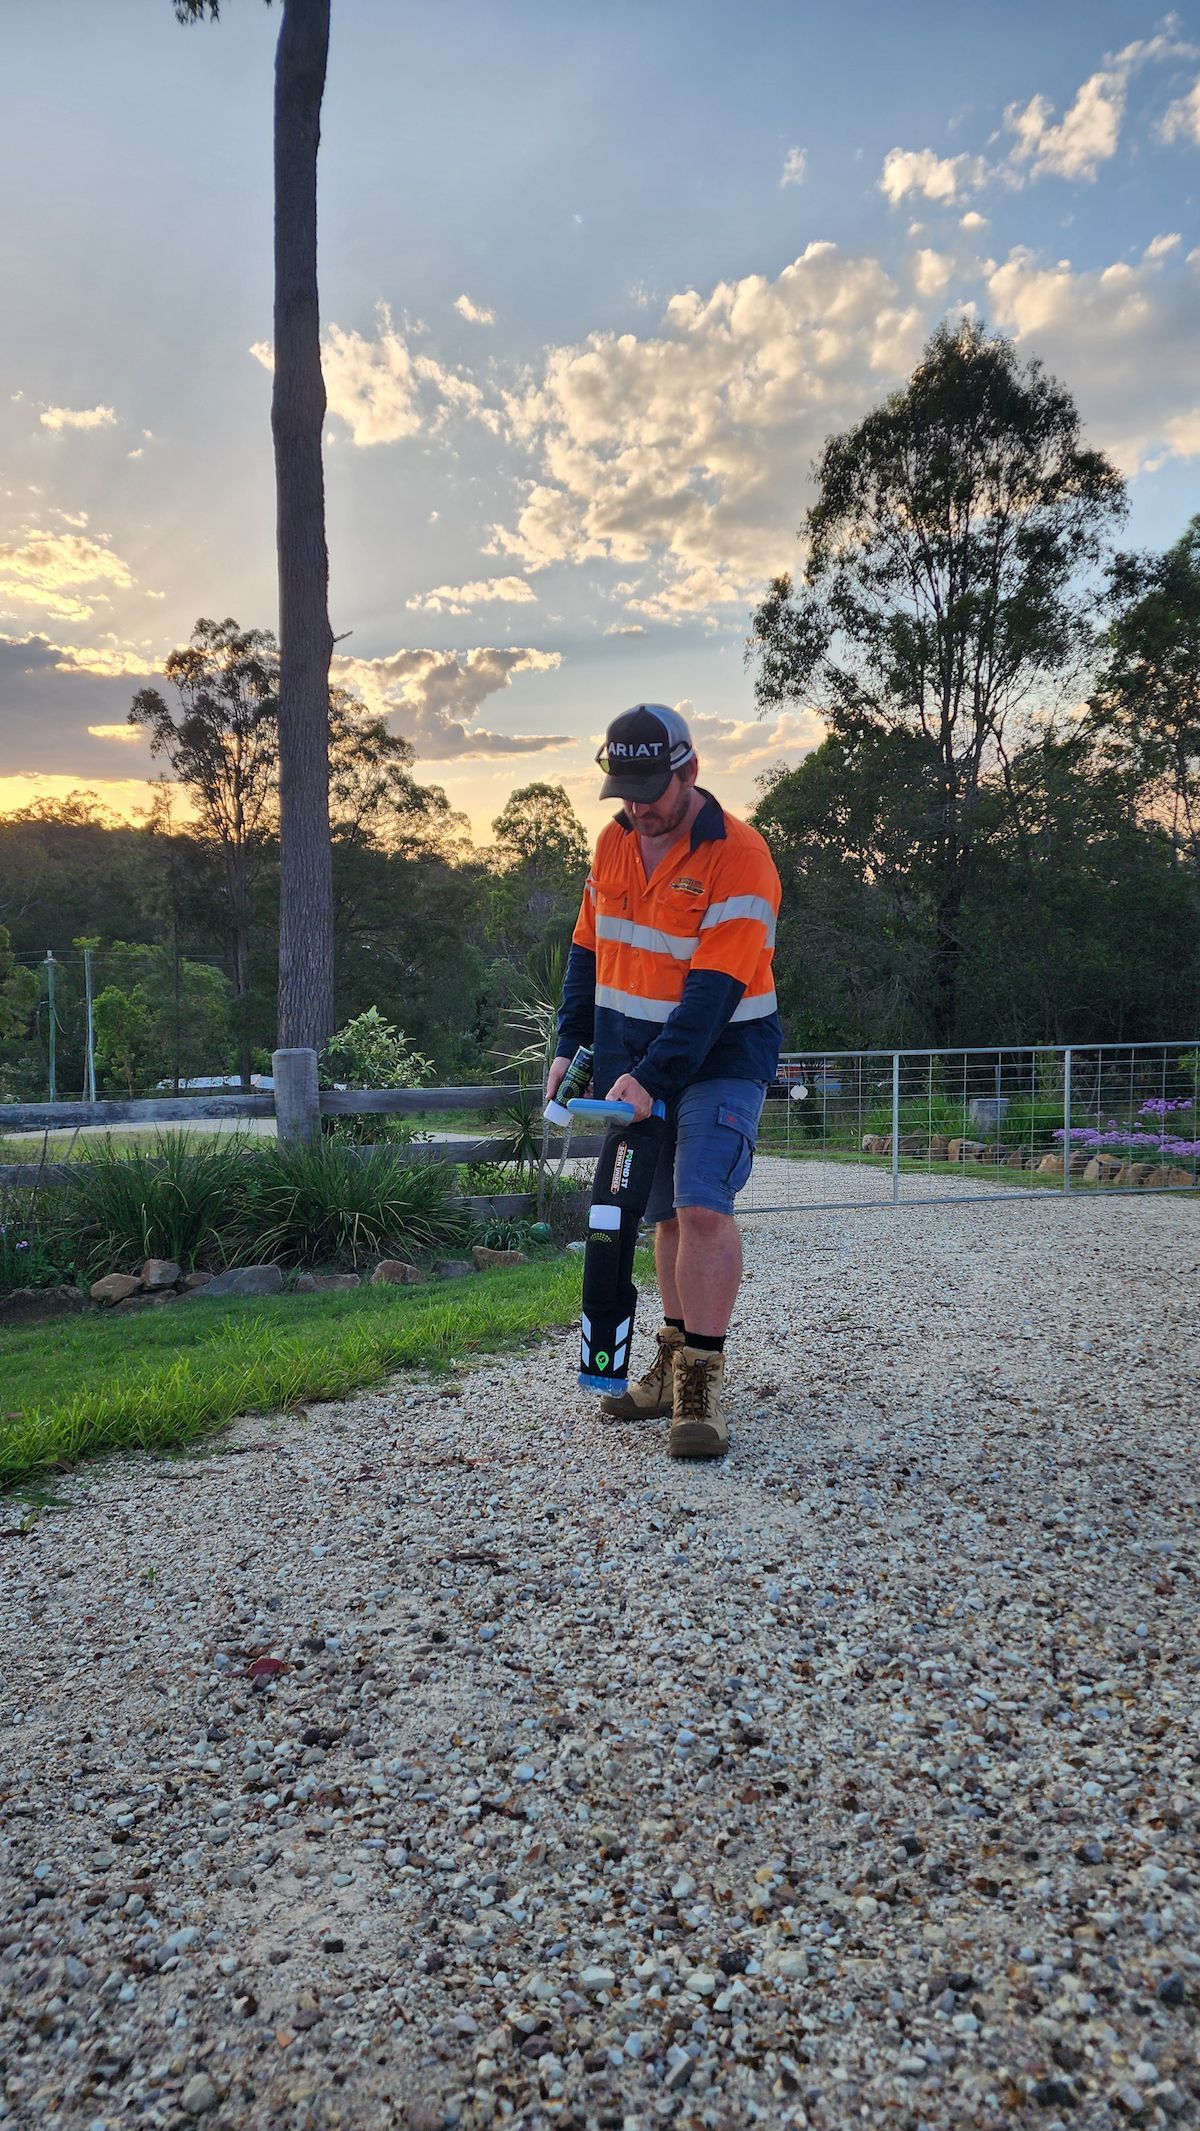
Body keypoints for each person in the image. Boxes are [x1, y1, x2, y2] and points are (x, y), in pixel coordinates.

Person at [548, 704, 782, 1458]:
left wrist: (650, 1077)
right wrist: (571, 1043)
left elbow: (713, 996)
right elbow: (588, 949)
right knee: (663, 1218)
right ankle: (671, 1364)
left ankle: (703, 1385)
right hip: (631, 1057)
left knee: (702, 1205)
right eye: (625, 789)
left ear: (691, 771)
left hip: (721, 1053)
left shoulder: (740, 857)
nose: (639, 805)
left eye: (652, 787)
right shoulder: (613, 845)